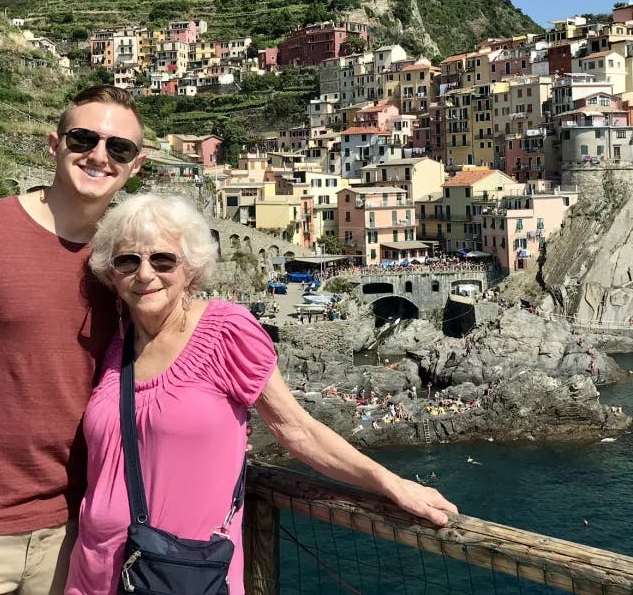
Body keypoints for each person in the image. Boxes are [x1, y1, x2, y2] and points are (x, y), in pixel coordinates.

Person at [66, 194, 458, 595]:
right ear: (111, 274)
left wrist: (389, 482)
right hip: (94, 572)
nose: (145, 274)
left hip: (182, 575)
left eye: (163, 260)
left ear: (191, 270)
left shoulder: (227, 330)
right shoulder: (114, 347)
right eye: (127, 261)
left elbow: (297, 429)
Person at [0, 85, 147, 594]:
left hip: (75, 535)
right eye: (84, 138)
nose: (99, 156)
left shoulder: (131, 265)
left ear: (135, 164)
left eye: (119, 148)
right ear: (54, 144)